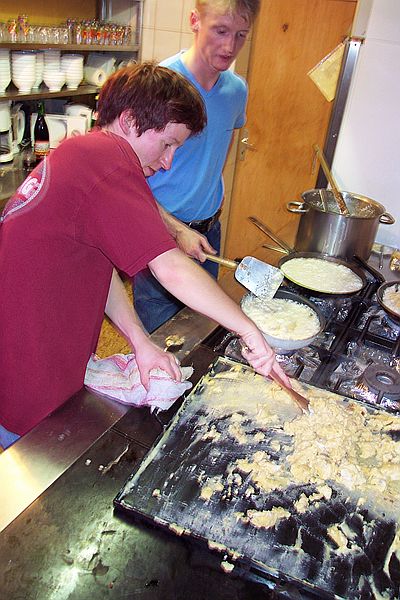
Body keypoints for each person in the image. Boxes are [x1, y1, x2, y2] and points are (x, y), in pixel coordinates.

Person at [0, 62, 287, 451]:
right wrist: (249, 331)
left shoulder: (85, 153)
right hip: (24, 363)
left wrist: (141, 342)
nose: (168, 161)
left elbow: (97, 268)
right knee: (27, 476)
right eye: (168, 143)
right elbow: (170, 268)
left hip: (36, 349)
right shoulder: (108, 160)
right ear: (131, 119)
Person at [133, 0, 260, 333]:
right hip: (158, 232)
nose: (230, 46)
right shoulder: (160, 85)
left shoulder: (236, 90)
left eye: (241, 35)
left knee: (198, 333)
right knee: (161, 337)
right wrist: (176, 227)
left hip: (207, 232)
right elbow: (129, 177)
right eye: (220, 30)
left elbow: (219, 156)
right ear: (194, 21)